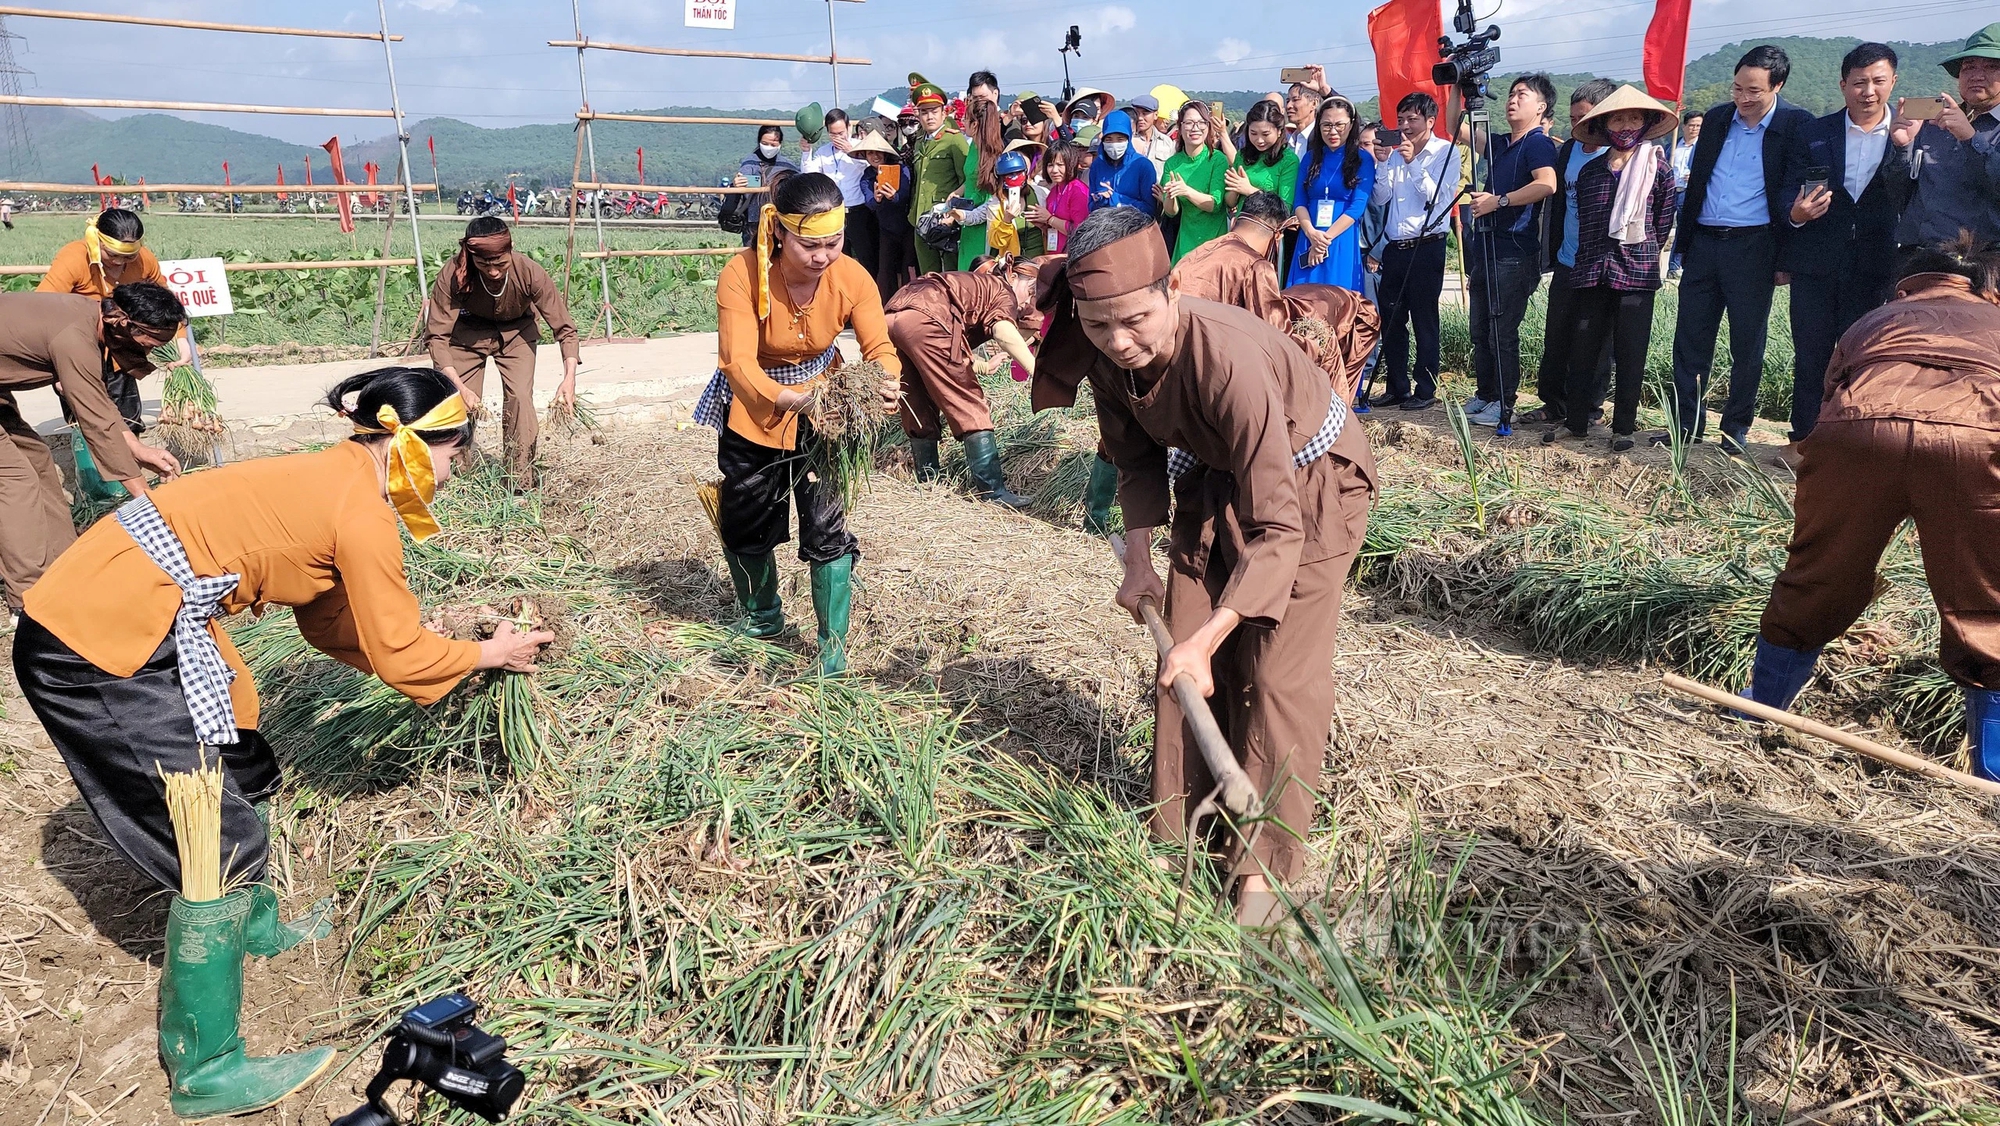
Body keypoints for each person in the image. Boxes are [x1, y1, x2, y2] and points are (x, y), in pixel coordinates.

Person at [10, 364, 553, 1118]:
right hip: (94, 641)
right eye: (456, 453)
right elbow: (396, 654)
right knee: (211, 834)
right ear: (413, 446)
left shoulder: (339, 476)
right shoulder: (359, 510)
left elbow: (331, 621)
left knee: (241, 747)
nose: (459, 470)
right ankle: (206, 1068)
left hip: (150, 612)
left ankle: (256, 928)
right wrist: (483, 655)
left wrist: (439, 646)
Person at [1029, 207, 1374, 928]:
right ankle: (1181, 842)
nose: (1119, 342)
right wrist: (1140, 560)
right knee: (1176, 672)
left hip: (1311, 491)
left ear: (1170, 293)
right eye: (1099, 326)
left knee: (1276, 676)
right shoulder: (1104, 354)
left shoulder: (1228, 361)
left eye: (1134, 321)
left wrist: (1211, 638)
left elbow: (1278, 527)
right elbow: (1134, 458)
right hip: (1209, 481)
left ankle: (1265, 876)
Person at [1743, 239, 2000, 779]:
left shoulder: (1874, 319)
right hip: (1975, 442)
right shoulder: (1994, 320)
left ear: (1906, 285)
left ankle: (1759, 708)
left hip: (1858, 434)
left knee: (1816, 573)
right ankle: (1993, 768)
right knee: (1987, 599)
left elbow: (1831, 390)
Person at [697, 172, 901, 676]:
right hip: (755, 407)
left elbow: (880, 350)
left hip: (828, 411)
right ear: (780, 232)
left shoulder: (852, 276)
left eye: (833, 243)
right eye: (810, 245)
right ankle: (762, 618)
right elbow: (738, 363)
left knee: (827, 525)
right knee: (748, 515)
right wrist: (792, 400)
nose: (823, 256)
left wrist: (887, 382)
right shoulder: (742, 274)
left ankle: (832, 647)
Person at [1663, 45, 1813, 453]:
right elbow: (1696, 187)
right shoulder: (1716, 118)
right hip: (1705, 242)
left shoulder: (1796, 124)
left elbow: (1794, 191)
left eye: (1754, 92)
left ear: (1777, 86)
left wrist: (1786, 257)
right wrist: (1684, 243)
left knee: (1747, 343)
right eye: (1737, 89)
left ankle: (1735, 429)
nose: (1744, 99)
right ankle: (1684, 425)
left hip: (1755, 245)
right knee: (1690, 339)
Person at [0, 285, 184, 613]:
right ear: (124, 324)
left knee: (37, 461)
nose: (153, 351)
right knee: (16, 480)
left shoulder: (89, 318)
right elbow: (95, 423)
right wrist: (146, 501)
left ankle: (65, 569)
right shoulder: (74, 336)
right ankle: (29, 599)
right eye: (152, 343)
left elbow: (96, 403)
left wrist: (137, 449)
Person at [1779, 43, 1909, 460]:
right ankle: (1803, 439)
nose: (1868, 91)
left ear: (1893, 83)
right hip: (1816, 261)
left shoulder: (1911, 134)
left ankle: (1853, 446)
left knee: (1865, 355)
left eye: (1877, 81)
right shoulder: (1813, 133)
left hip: (1877, 264)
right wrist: (1795, 213)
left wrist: (1906, 145)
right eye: (1858, 82)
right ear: (1842, 85)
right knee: (1811, 352)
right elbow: (1786, 188)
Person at [1544, 86, 1678, 452]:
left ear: (1646, 122)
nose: (1626, 124)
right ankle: (1576, 423)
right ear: (1604, 124)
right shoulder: (1590, 172)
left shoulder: (1658, 169)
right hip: (1592, 270)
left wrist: (1640, 250)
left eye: (1634, 117)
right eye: (1618, 118)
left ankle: (1623, 428)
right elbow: (1585, 223)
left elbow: (1662, 222)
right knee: (1584, 347)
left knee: (1632, 352)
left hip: (1636, 272)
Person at [424, 217, 579, 488]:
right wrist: (459, 386)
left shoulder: (530, 272)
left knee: (520, 398)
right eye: (484, 264)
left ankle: (519, 480)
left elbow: (565, 329)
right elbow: (437, 337)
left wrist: (569, 379)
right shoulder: (452, 275)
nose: (493, 271)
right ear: (470, 256)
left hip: (517, 333)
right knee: (458, 406)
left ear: (511, 250)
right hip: (467, 336)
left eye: (500, 263)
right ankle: (459, 479)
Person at [1447, 74, 1559, 427]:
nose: (1512, 100)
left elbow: (1547, 183)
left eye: (1522, 95)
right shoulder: (1500, 144)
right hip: (1488, 248)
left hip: (1514, 250)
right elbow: (1453, 126)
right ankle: (1485, 394)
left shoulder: (1537, 143)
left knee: (1501, 331)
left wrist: (1501, 201)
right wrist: (1456, 86)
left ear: (1541, 108)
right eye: (1510, 94)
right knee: (1480, 329)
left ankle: (1504, 400)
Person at [887, 258, 1041, 505]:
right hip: (927, 318)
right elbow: (1003, 332)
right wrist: (1037, 372)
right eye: (1030, 291)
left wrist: (982, 365)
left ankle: (927, 482)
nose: (1026, 301)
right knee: (967, 401)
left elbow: (948, 356)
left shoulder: (976, 285)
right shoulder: (1002, 290)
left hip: (893, 314)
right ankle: (992, 492)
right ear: (1012, 277)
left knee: (917, 400)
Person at [39, 208, 194, 423]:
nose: (119, 262)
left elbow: (164, 303)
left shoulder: (144, 260)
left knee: (127, 419)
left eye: (129, 256)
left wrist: (181, 339)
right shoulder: (74, 257)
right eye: (112, 255)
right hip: (75, 346)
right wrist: (59, 371)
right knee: (87, 421)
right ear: (96, 241)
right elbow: (42, 307)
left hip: (120, 348)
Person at [1525, 78, 1617, 428]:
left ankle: (1591, 407)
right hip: (1568, 258)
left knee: (1595, 339)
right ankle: (1554, 403)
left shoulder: (1620, 153)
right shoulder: (1567, 150)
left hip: (1602, 263)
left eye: (1586, 117)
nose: (1579, 125)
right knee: (1557, 335)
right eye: (1573, 117)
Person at [1369, 92, 1459, 411]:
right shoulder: (1393, 155)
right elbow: (1380, 198)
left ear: (1430, 121)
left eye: (1412, 119)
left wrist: (1413, 162)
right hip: (1396, 248)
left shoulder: (1445, 152)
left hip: (1427, 247)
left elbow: (1436, 201)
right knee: (1392, 319)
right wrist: (1382, 163)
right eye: (1401, 119)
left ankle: (1425, 388)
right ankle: (1397, 386)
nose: (1405, 126)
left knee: (1424, 320)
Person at [1889, 23, 2000, 252]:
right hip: (1920, 256)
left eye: (1991, 66)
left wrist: (1970, 138)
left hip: (1985, 263)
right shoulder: (1932, 124)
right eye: (1968, 67)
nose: (1977, 75)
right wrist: (1903, 147)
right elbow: (1898, 195)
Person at [1290, 96, 1375, 291]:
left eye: (1340, 125)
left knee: (1338, 297)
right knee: (1303, 297)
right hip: (1310, 235)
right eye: (1326, 125)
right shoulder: (1310, 158)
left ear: (1351, 124)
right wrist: (1312, 234)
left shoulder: (1363, 160)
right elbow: (1300, 202)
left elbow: (1357, 207)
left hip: (1340, 237)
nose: (1333, 131)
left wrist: (1324, 241)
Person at [803, 108, 877, 278]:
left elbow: (871, 166)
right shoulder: (823, 152)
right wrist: (807, 153)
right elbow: (809, 175)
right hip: (833, 212)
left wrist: (852, 151)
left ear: (849, 128)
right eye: (833, 134)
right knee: (837, 257)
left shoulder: (861, 148)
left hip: (859, 210)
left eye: (841, 132)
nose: (838, 137)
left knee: (866, 256)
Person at [907, 83, 969, 276]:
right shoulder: (919, 142)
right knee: (928, 275)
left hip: (945, 219)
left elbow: (967, 179)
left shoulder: (954, 140)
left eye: (934, 111)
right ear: (918, 115)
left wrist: (953, 215)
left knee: (951, 275)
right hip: (920, 218)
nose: (930, 116)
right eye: (924, 112)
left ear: (944, 113)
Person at [1160, 101, 1229, 262]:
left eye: (1201, 123)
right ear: (1180, 126)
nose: (1195, 128)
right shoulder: (1172, 163)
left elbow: (1215, 204)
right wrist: (1170, 195)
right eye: (1189, 123)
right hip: (1185, 243)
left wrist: (1186, 191)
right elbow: (1171, 211)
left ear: (1208, 125)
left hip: (1214, 244)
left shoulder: (1217, 159)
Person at [853, 131, 916, 303]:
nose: (875, 156)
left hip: (908, 225)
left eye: (878, 152)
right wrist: (878, 199)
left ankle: (910, 304)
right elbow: (870, 203)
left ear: (886, 152)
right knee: (885, 269)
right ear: (865, 155)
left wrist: (893, 196)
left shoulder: (901, 169)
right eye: (870, 153)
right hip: (886, 229)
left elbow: (905, 194)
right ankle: (886, 308)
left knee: (908, 267)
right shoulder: (867, 177)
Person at [945, 98, 1008, 269]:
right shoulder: (973, 146)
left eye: (966, 119)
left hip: (982, 222)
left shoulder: (993, 154)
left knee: (978, 273)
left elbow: (995, 196)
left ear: (975, 125)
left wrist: (968, 215)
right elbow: (971, 178)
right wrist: (957, 191)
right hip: (966, 218)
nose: (963, 122)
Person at [1225, 100, 1301, 216]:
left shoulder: (1288, 160)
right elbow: (1230, 203)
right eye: (1253, 133)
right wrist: (1235, 188)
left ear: (1279, 131)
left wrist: (1250, 190)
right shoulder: (1242, 155)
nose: (1259, 140)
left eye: (1265, 134)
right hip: (1241, 225)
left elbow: (1285, 207)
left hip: (1268, 228)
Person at [735, 125, 801, 248]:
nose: (769, 148)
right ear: (759, 141)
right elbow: (743, 180)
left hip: (780, 220)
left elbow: (799, 183)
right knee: (754, 256)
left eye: (773, 144)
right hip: (755, 221)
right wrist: (738, 183)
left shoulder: (787, 165)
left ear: (780, 144)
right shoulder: (750, 163)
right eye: (765, 143)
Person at [1026, 133, 1092, 253]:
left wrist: (1049, 219)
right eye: (1050, 165)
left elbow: (1080, 230)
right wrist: (1043, 224)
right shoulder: (1053, 192)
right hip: (1055, 256)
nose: (1054, 170)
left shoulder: (1078, 191)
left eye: (1060, 165)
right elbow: (1056, 229)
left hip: (1073, 257)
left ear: (1070, 165)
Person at [1088, 110, 1159, 214]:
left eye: (1120, 139)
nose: (1114, 144)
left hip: (1134, 228)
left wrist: (1116, 200)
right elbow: (1090, 206)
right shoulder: (1097, 165)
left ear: (1129, 138)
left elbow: (1150, 209)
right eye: (1109, 139)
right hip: (1104, 228)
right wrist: (1099, 201)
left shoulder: (1143, 166)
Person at [1668, 110, 1703, 275]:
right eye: (1692, 125)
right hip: (1669, 191)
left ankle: (1675, 266)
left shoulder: (1703, 148)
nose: (1695, 129)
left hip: (1687, 193)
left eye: (1698, 126)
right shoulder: (1673, 146)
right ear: (1684, 126)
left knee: (1683, 229)